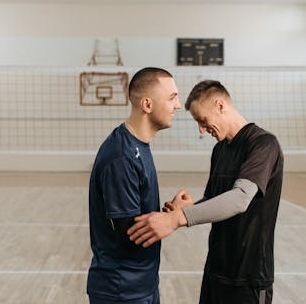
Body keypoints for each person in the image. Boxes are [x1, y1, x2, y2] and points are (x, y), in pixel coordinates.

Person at [128, 80, 283, 304]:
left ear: (220, 106)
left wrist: (176, 219)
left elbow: (240, 199)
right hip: (216, 272)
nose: (201, 129)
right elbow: (215, 200)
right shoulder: (220, 149)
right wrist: (191, 207)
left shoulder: (263, 144)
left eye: (203, 120)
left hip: (248, 280)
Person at [87, 67, 181, 303]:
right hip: (122, 290)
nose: (178, 105)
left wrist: (169, 213)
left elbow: (137, 221)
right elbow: (131, 234)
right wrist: (176, 219)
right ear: (147, 105)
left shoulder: (138, 146)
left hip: (142, 284)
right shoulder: (122, 157)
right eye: (172, 98)